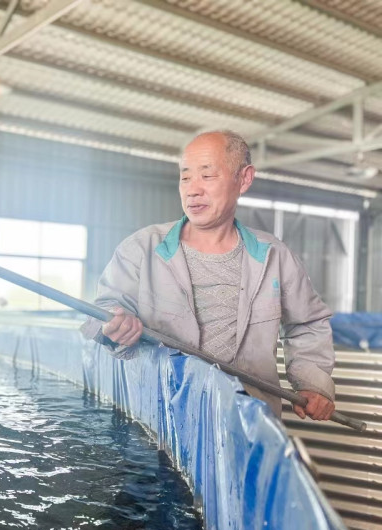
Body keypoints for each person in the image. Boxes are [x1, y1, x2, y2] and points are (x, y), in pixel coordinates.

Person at [81, 130, 335, 421]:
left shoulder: (275, 256)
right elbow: (100, 312)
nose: (192, 189)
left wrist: (313, 382)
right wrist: (114, 325)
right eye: (185, 176)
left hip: (246, 424)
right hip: (158, 420)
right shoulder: (142, 248)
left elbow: (309, 323)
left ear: (244, 178)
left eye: (207, 176)